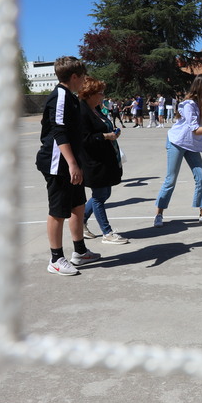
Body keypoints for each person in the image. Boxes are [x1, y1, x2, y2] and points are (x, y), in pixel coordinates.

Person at [36, 56, 101, 276]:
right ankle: (55, 259)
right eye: (82, 77)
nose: (84, 80)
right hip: (58, 163)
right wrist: (72, 164)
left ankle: (80, 252)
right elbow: (59, 131)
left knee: (78, 205)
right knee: (58, 210)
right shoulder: (60, 97)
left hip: (71, 161)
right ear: (74, 76)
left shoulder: (71, 97)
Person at [154, 74, 202, 226]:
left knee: (201, 178)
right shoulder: (188, 104)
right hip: (177, 142)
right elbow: (195, 130)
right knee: (170, 180)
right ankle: (159, 214)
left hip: (192, 145)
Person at [76, 78, 129, 245]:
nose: (103, 96)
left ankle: (81, 221)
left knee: (104, 194)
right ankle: (107, 233)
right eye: (100, 92)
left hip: (104, 158)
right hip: (92, 160)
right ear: (90, 94)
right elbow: (83, 139)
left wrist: (112, 132)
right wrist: (105, 136)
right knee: (99, 196)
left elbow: (103, 127)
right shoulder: (82, 111)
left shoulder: (96, 109)